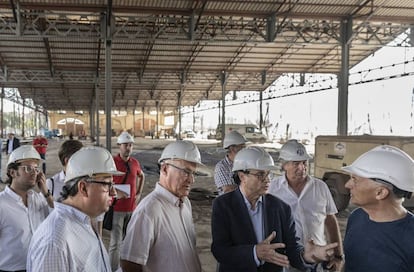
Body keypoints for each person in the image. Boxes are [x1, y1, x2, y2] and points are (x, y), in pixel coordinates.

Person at [211, 146, 338, 272]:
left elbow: (292, 249)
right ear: (242, 176)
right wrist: (254, 252)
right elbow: (220, 250)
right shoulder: (223, 205)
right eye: (260, 174)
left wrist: (306, 256)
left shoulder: (281, 208)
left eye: (268, 174)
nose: (267, 180)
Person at [27, 146, 124, 271]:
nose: (114, 193)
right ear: (83, 188)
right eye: (107, 185)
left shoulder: (84, 221)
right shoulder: (55, 242)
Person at [120, 140, 204, 272]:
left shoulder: (185, 203)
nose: (191, 179)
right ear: (165, 169)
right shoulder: (149, 210)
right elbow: (130, 263)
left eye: (193, 173)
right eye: (186, 172)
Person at [268, 139, 344, 272]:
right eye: (296, 163)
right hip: (285, 259)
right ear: (284, 165)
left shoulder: (320, 187)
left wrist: (338, 255)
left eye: (304, 162)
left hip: (318, 257)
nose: (302, 167)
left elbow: (331, 221)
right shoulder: (272, 190)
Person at [341, 145, 414, 271]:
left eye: (355, 179)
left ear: (380, 193)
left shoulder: (410, 236)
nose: (347, 185)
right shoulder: (356, 216)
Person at [0, 145, 53, 271]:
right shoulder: (2, 204)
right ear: (13, 172)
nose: (35, 172)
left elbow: (59, 217)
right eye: (28, 168)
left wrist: (46, 192)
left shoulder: (39, 199)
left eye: (36, 168)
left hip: (38, 266)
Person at [109, 131, 145, 271]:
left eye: (130, 145)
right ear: (119, 146)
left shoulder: (135, 163)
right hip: (117, 209)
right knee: (115, 243)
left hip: (132, 209)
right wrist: (113, 192)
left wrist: (139, 193)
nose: (128, 148)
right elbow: (105, 180)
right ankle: (112, 269)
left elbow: (142, 176)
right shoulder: (112, 162)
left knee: (129, 242)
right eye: (125, 145)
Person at [214, 130, 247, 195]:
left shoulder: (247, 164)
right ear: (232, 148)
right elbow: (228, 190)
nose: (245, 150)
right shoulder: (221, 167)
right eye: (242, 147)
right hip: (229, 203)